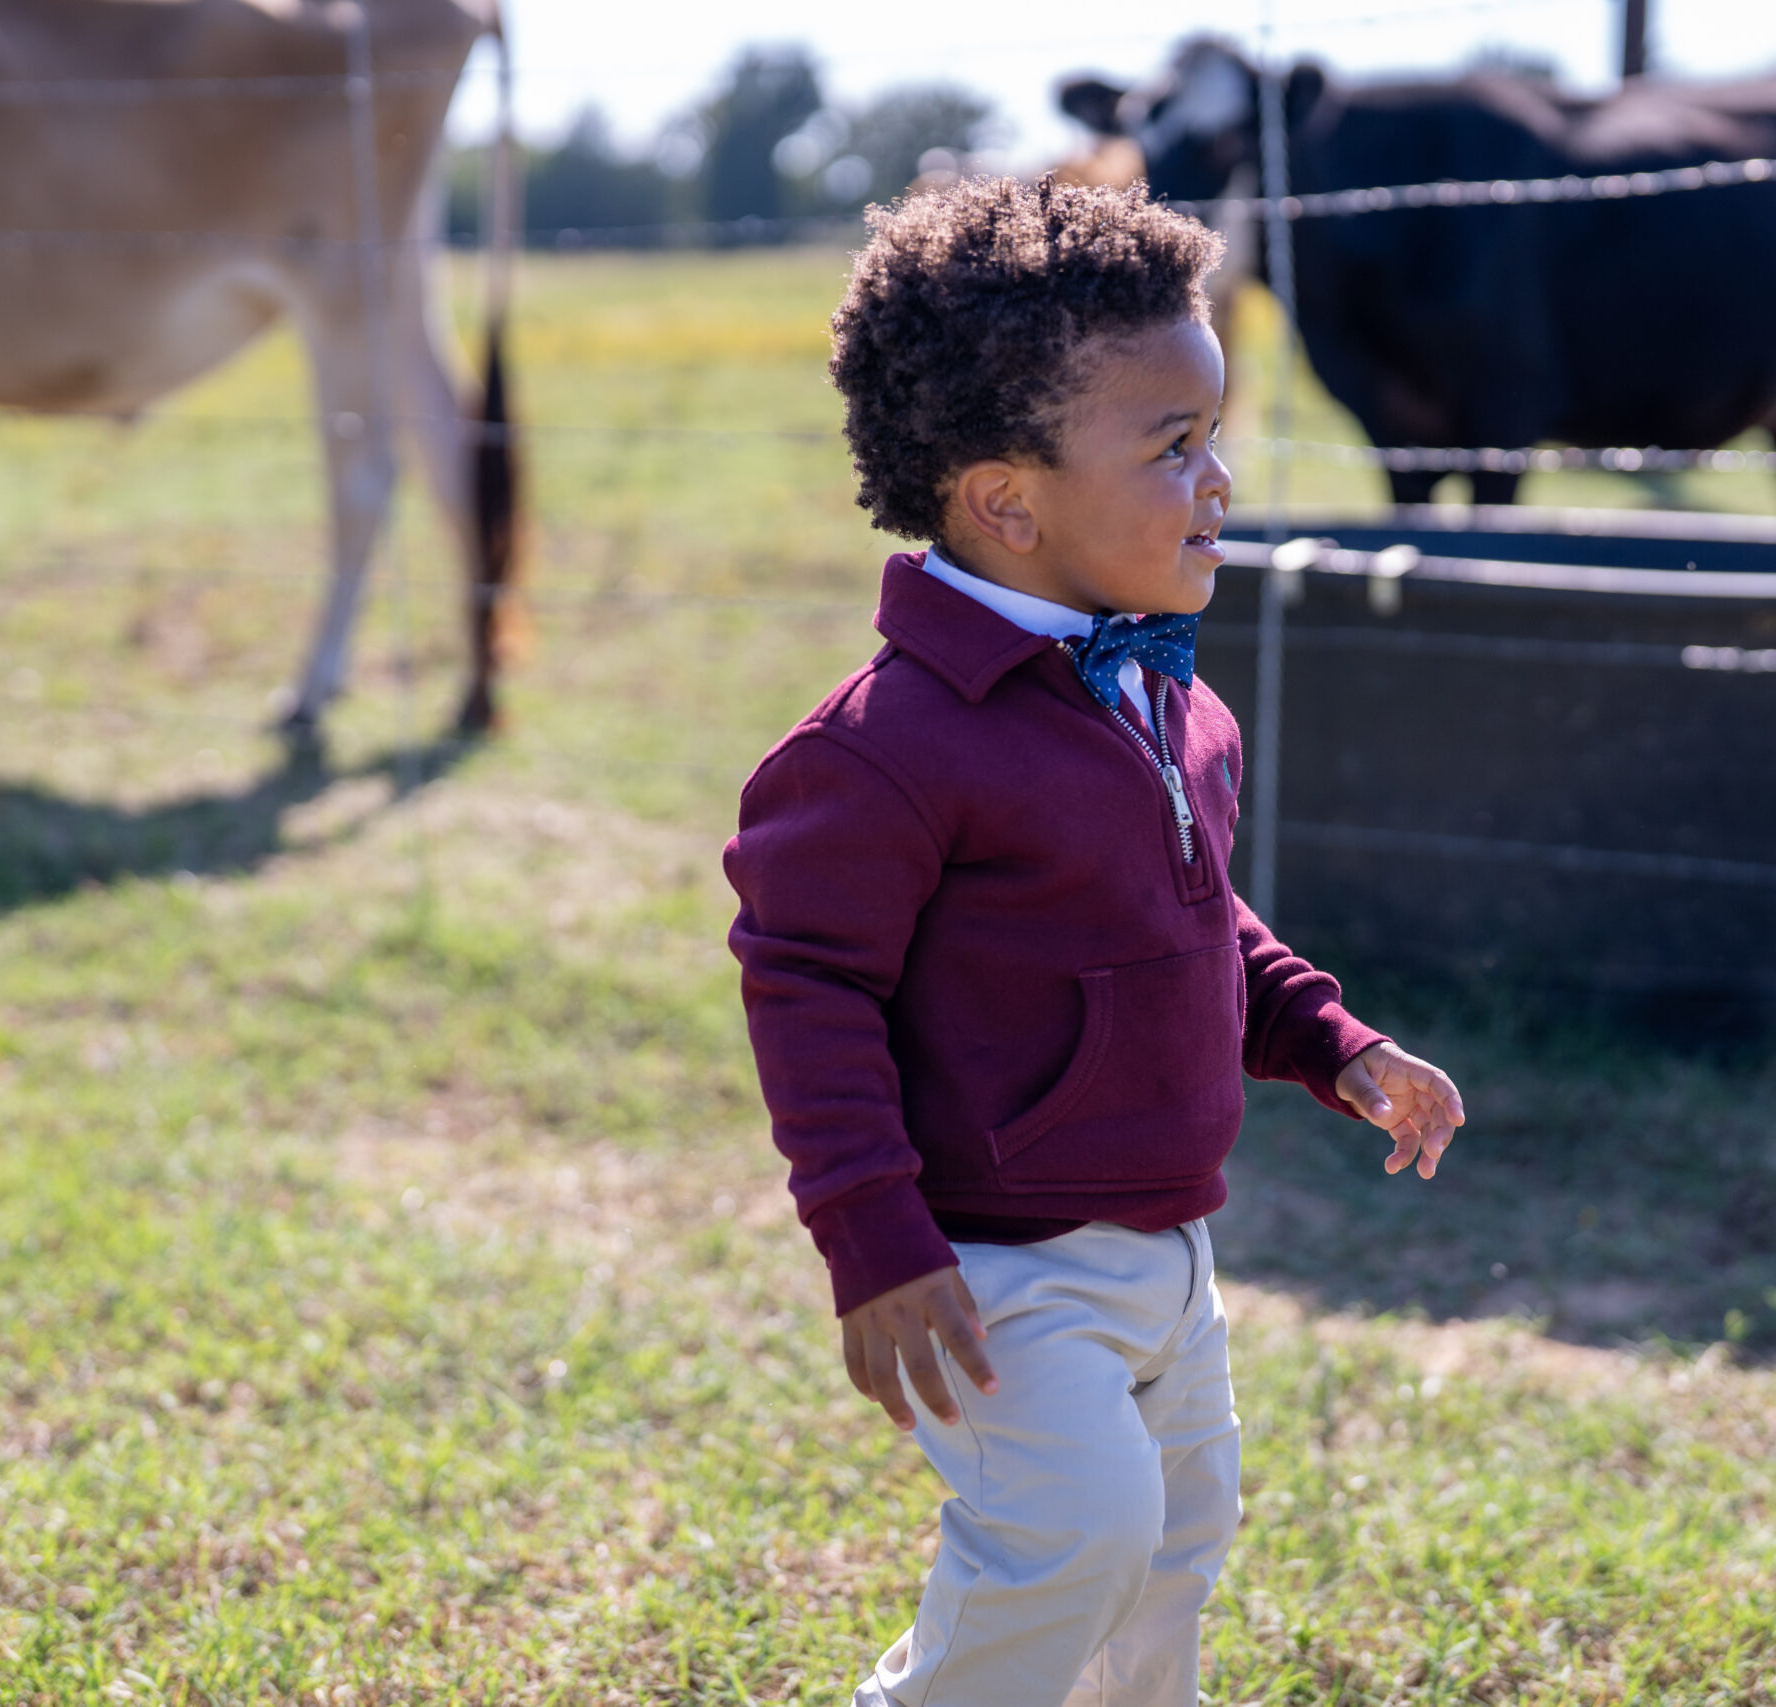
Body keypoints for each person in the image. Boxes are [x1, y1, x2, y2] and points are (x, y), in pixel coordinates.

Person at [722, 175, 1467, 1707]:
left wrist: (1331, 1039)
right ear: (1008, 501)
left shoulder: (1172, 701)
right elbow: (808, 987)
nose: (1224, 477)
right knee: (1075, 1531)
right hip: (996, 1262)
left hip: (1168, 1244)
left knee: (1177, 1541)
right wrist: (876, 1245)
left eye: (1216, 435)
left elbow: (1195, 921)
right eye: (1174, 446)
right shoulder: (888, 750)